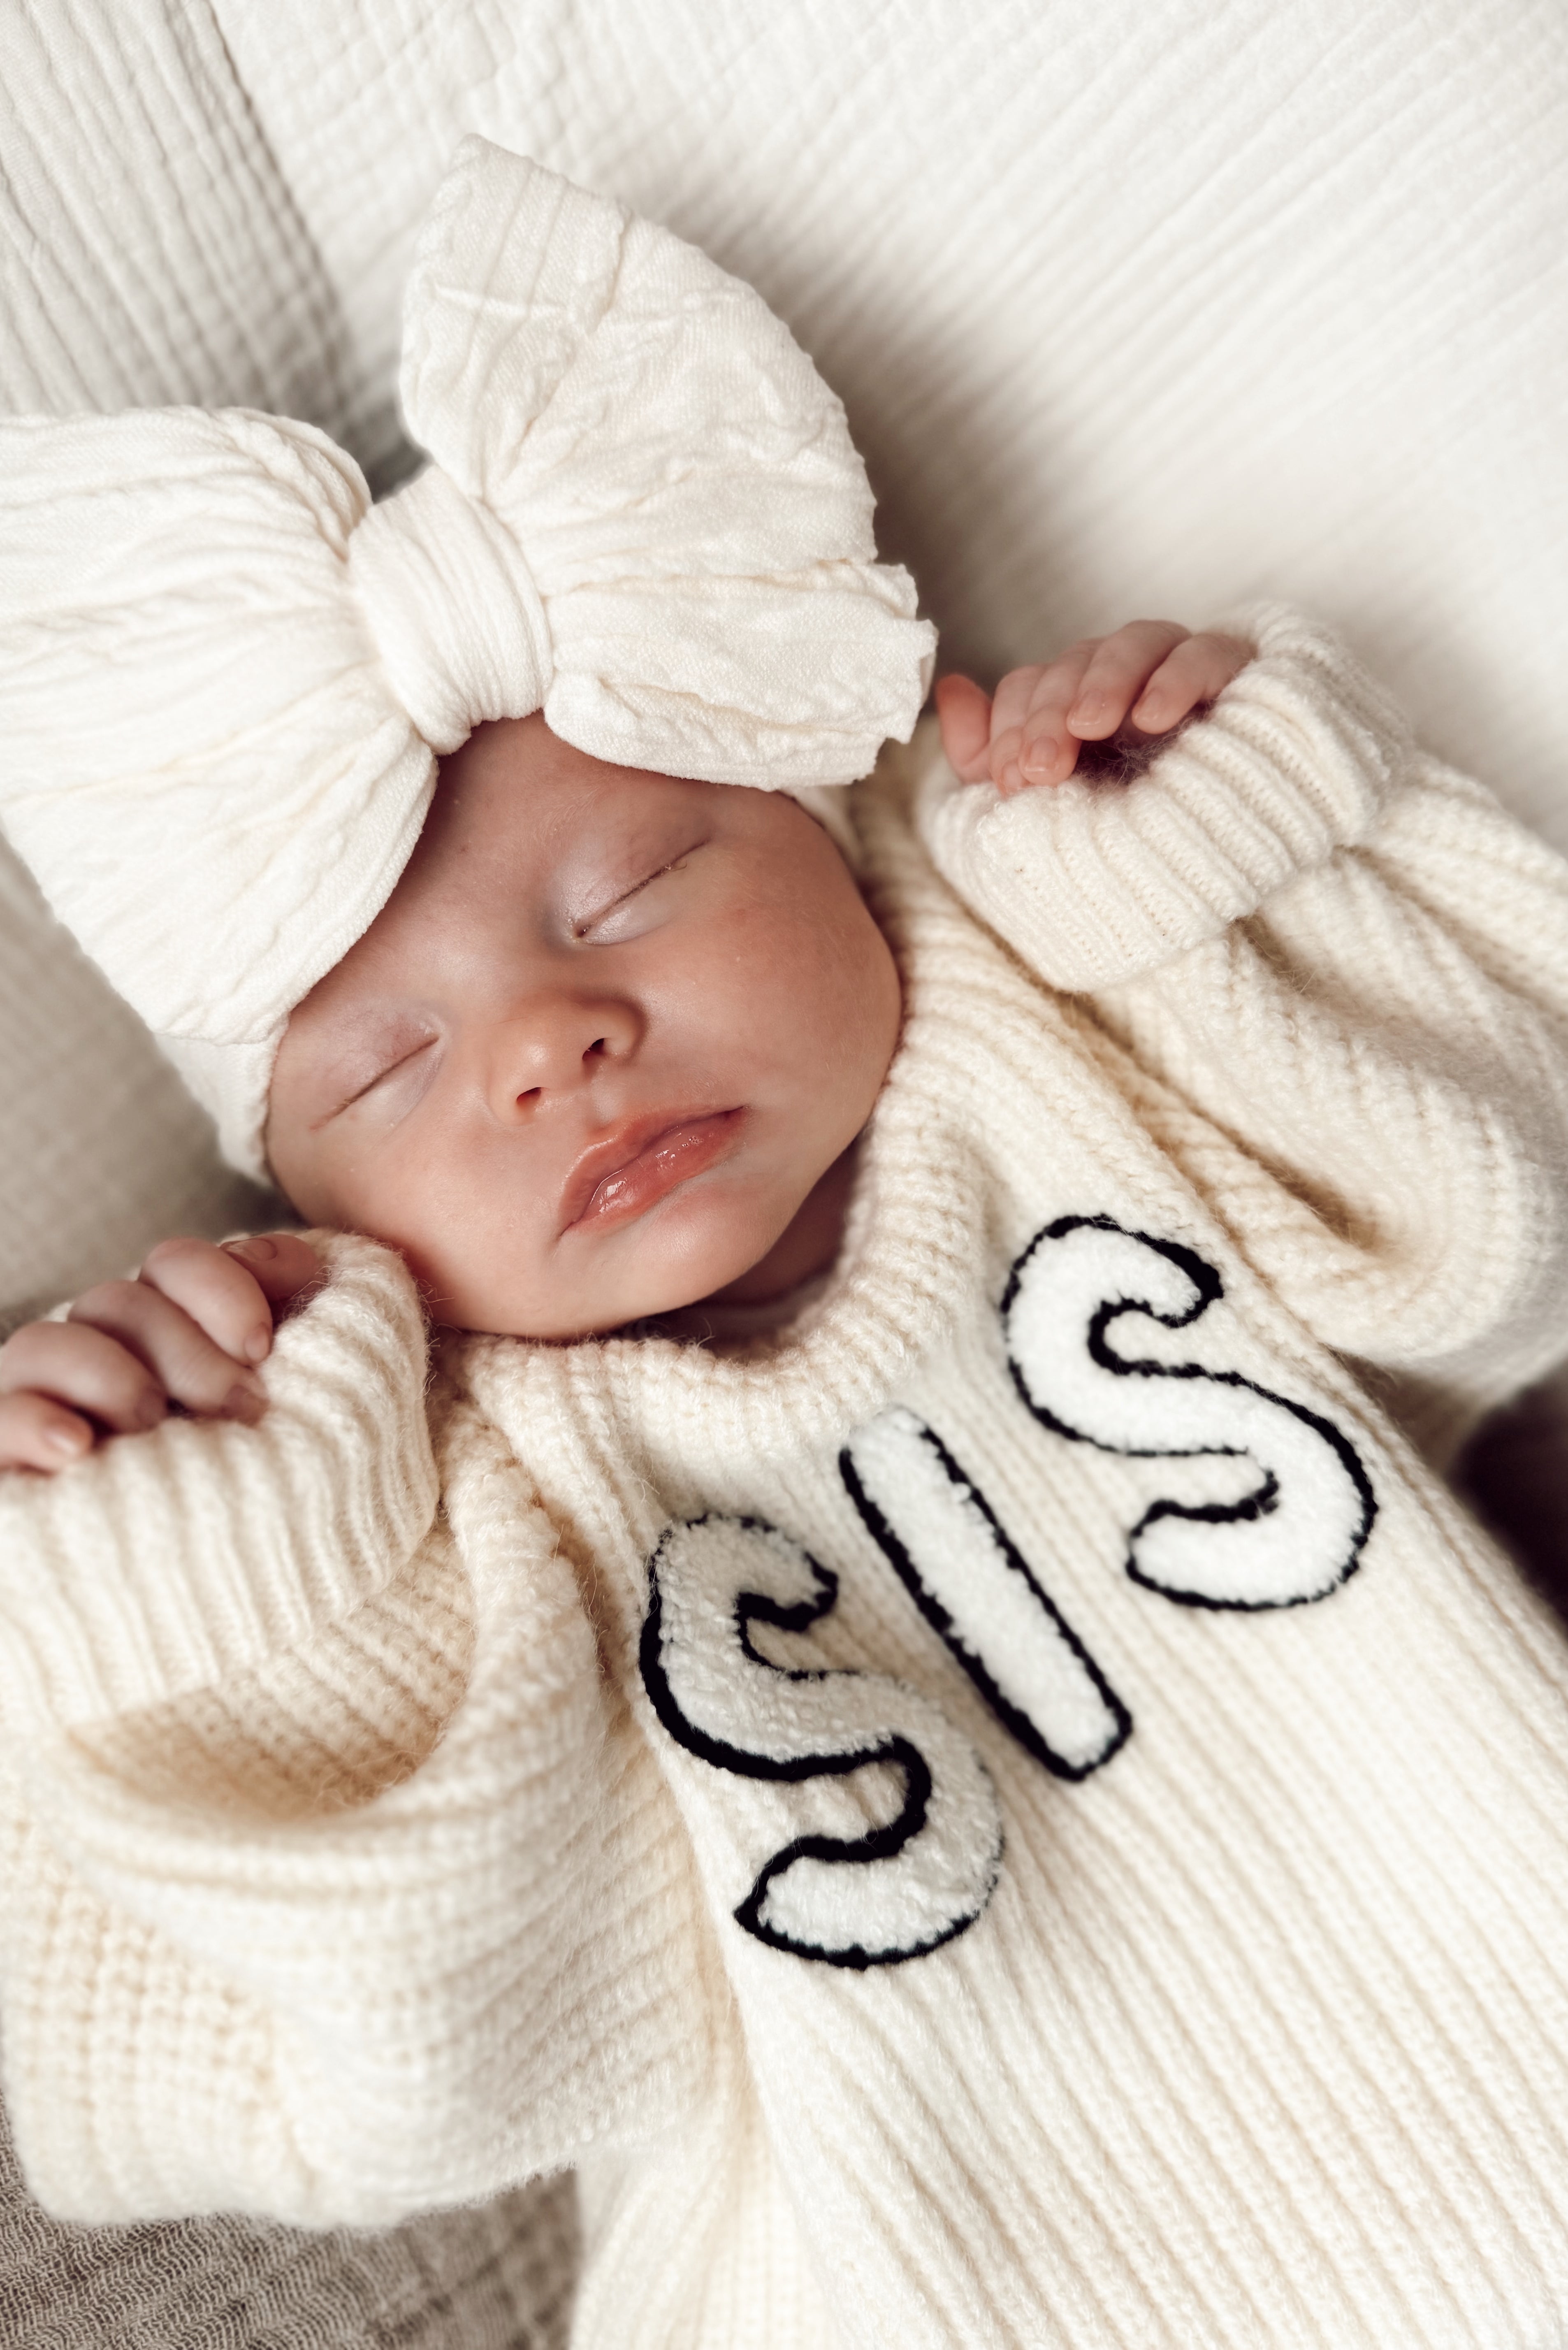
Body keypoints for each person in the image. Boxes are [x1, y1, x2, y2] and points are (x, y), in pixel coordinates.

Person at [3, 137, 1568, 2350]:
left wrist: (1191, 859)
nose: (549, 1048)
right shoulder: (443, 1511)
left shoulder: (1054, 1038)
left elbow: (1489, 1247)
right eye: (388, 1075)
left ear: (835, 832)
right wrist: (220, 1581)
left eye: (630, 895)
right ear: (307, 1202)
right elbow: (389, 2086)